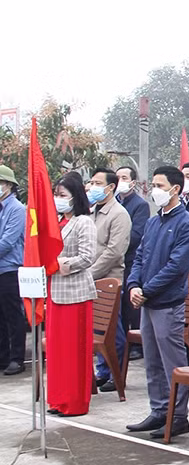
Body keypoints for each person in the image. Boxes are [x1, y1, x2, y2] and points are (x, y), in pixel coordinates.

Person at [125, 166, 189, 439]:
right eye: (153, 185)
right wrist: (133, 285)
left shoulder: (187, 225)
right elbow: (140, 257)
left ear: (176, 189)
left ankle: (178, 416)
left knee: (173, 362)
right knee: (153, 362)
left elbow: (176, 267)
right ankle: (158, 410)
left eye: (159, 185)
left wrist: (146, 290)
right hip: (147, 302)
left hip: (168, 303)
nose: (154, 190)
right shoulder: (154, 222)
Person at [44, 176, 97, 416]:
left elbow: (87, 257)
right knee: (57, 351)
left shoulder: (83, 222)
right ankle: (57, 399)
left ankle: (74, 402)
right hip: (55, 292)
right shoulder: (56, 221)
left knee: (73, 351)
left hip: (75, 292)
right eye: (56, 194)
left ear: (76, 197)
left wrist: (60, 264)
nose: (58, 199)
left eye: (63, 195)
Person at [87, 167, 131, 390]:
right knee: (96, 330)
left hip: (109, 280)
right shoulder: (92, 211)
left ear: (111, 187)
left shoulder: (119, 214)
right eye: (91, 182)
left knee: (113, 331)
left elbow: (114, 252)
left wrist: (90, 273)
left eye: (97, 183)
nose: (92, 187)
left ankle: (117, 373)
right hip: (90, 280)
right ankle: (103, 370)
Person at [115, 165, 150, 369]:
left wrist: (118, 243)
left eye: (124, 177)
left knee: (132, 305)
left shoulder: (139, 205)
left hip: (129, 258)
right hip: (118, 260)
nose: (121, 181)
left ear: (133, 182)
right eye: (118, 177)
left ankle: (137, 345)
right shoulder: (115, 203)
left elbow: (137, 234)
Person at [0, 166, 26, 376]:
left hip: (9, 269)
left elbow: (7, 242)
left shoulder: (16, 209)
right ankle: (3, 356)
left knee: (13, 315)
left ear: (8, 185)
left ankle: (17, 358)